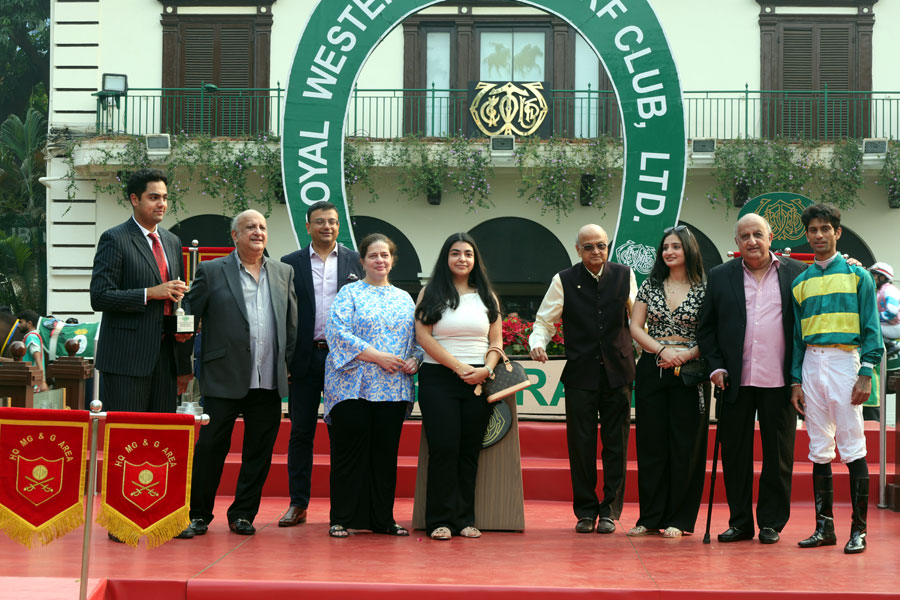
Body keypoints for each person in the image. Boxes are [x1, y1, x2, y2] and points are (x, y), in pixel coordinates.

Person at [181, 209, 298, 538]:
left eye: (262, 227)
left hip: (268, 378)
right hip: (222, 376)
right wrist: (182, 367)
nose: (257, 232)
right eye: (249, 227)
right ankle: (198, 514)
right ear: (235, 235)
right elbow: (188, 319)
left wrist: (288, 366)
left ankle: (243, 514)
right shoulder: (211, 270)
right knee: (210, 449)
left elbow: (292, 323)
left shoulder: (283, 272)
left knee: (258, 452)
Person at [697, 214, 805, 545]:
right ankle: (740, 522)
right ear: (737, 243)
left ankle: (772, 522)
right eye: (744, 236)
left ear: (771, 237)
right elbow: (706, 328)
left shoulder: (797, 273)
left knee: (779, 456)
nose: (752, 241)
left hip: (780, 381)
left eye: (758, 234)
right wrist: (715, 367)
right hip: (734, 381)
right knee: (735, 455)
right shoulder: (720, 276)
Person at [529, 224, 637, 534]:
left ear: (608, 247)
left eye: (601, 245)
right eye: (588, 247)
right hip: (581, 373)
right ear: (578, 249)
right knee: (581, 445)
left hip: (619, 371)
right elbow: (544, 321)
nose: (596, 252)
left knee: (616, 444)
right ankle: (586, 511)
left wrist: (652, 349)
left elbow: (638, 318)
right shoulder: (562, 280)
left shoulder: (624, 275)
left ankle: (610, 511)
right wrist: (537, 342)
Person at [790, 204, 882, 554]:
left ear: (837, 232)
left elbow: (871, 328)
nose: (819, 235)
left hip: (846, 362)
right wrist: (796, 380)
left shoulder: (859, 277)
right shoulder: (800, 283)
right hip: (812, 364)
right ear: (807, 234)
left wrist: (866, 372)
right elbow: (797, 338)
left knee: (853, 446)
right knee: (819, 449)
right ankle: (824, 528)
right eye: (813, 230)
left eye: (825, 229)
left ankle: (859, 531)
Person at [324, 233, 421, 538]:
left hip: (392, 389)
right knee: (349, 454)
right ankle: (341, 518)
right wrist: (378, 357)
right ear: (362, 261)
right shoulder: (349, 293)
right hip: (351, 386)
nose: (380, 260)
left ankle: (383, 519)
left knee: (384, 456)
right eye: (373, 255)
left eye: (385, 255)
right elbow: (336, 333)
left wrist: (415, 360)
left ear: (392, 260)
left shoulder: (404, 298)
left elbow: (418, 340)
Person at [278, 201, 363, 527]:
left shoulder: (356, 261)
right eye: (320, 222)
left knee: (344, 432)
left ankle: (344, 508)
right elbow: (283, 313)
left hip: (344, 359)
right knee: (301, 432)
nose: (327, 226)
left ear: (338, 225)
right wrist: (285, 359)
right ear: (308, 226)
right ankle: (298, 504)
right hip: (305, 357)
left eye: (332, 221)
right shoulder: (290, 263)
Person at [414, 232, 502, 541]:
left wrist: (486, 369)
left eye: (467, 253)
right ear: (446, 258)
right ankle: (440, 520)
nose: (462, 258)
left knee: (469, 451)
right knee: (444, 448)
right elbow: (423, 336)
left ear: (475, 259)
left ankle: (464, 519)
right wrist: (458, 366)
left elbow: (496, 341)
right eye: (455, 253)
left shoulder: (487, 296)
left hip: (479, 382)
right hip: (438, 379)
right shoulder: (430, 292)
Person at [626, 225, 708, 539]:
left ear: (689, 249)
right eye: (665, 247)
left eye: (676, 246)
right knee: (651, 444)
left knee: (686, 446)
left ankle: (680, 519)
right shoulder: (650, 285)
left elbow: (710, 332)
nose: (669, 252)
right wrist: (662, 350)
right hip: (653, 367)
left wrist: (685, 354)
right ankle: (650, 518)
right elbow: (635, 326)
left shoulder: (705, 287)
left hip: (691, 371)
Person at [89, 168, 192, 413]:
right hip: (127, 360)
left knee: (161, 433)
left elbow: (179, 295)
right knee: (126, 433)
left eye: (165, 197)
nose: (162, 204)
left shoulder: (172, 241)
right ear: (134, 199)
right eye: (154, 197)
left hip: (167, 359)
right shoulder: (115, 239)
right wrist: (149, 293)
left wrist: (184, 329)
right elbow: (100, 296)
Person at [16, 309, 49, 392]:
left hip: (33, 386)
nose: (18, 325)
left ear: (29, 323)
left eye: (20, 322)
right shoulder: (31, 336)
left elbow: (38, 360)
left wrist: (43, 381)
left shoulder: (31, 337)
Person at [869, 262, 900, 341]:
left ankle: (892, 344)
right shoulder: (880, 290)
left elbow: (892, 312)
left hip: (894, 326)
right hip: (889, 325)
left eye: (874, 275)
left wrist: (873, 317)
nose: (871, 278)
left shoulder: (889, 289)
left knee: (868, 328)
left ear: (882, 278)